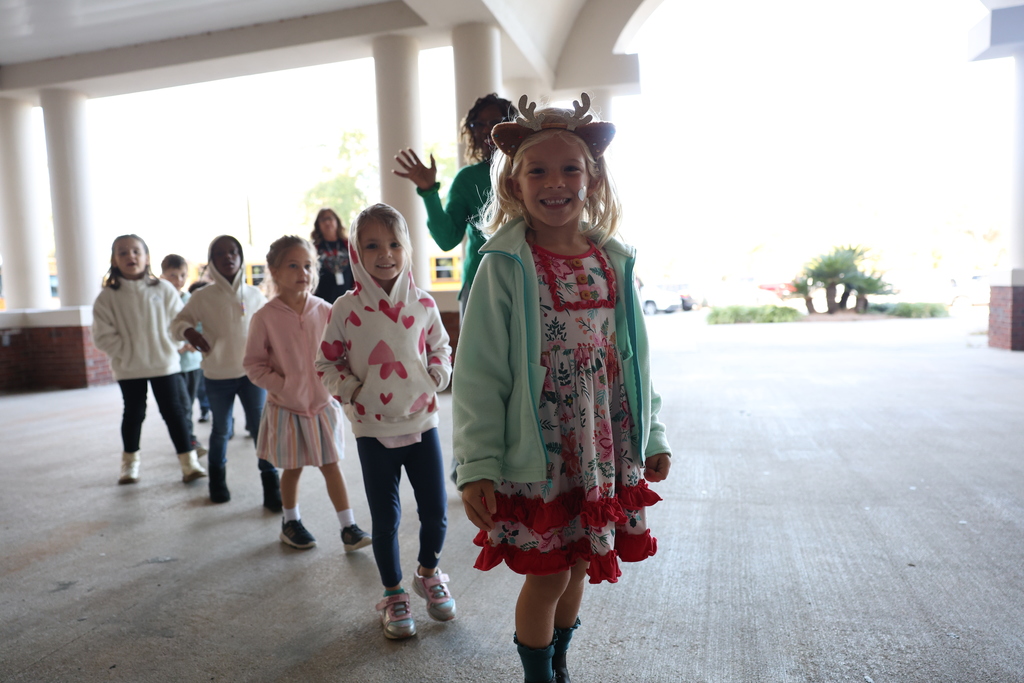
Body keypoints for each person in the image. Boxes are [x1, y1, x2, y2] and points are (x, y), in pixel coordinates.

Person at [452, 94, 672, 683]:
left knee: (578, 566)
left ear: (592, 179)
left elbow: (635, 360)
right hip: (541, 447)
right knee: (547, 574)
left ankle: (558, 662)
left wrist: (653, 433)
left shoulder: (612, 259)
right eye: (537, 171)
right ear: (514, 185)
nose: (555, 182)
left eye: (570, 168)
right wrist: (477, 462)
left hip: (598, 443)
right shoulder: (504, 264)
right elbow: (479, 374)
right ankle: (538, 677)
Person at [315, 203, 454, 640]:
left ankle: (428, 573)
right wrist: (352, 390)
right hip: (373, 429)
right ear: (356, 252)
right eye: (372, 245)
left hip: (422, 421)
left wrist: (439, 373)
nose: (385, 254)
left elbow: (441, 347)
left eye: (394, 244)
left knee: (436, 511)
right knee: (386, 518)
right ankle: (394, 593)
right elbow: (326, 362)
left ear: (407, 248)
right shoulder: (345, 308)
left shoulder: (424, 303)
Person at [243, 235, 371, 552]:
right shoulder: (264, 317)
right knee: (292, 469)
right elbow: (254, 365)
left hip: (322, 405)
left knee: (331, 466)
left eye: (308, 265)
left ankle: (348, 528)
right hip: (286, 408)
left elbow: (342, 354)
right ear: (274, 271)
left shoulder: (326, 311)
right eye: (293, 265)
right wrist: (284, 386)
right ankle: (290, 522)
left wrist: (340, 386)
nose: (303, 272)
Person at [171, 235, 281, 509]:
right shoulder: (202, 297)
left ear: (240, 257)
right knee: (221, 430)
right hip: (217, 376)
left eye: (233, 252)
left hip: (252, 376)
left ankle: (271, 486)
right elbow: (177, 323)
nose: (228, 257)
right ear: (211, 261)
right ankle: (217, 483)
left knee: (261, 430)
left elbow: (271, 330)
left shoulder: (254, 295)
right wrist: (189, 333)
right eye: (220, 253)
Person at [92, 235, 207, 486]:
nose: (130, 256)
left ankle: (189, 463)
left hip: (164, 364)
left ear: (146, 257)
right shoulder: (107, 297)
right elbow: (102, 336)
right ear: (114, 260)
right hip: (129, 368)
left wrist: (169, 345)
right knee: (134, 414)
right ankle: (129, 465)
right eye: (123, 252)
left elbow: (178, 322)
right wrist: (127, 351)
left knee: (175, 413)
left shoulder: (163, 289)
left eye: (136, 251)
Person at [392, 93, 518, 316]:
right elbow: (447, 239)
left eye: (494, 122)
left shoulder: (531, 171)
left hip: (527, 276)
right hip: (480, 283)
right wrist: (429, 192)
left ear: (511, 125)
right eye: (478, 124)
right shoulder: (467, 179)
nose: (485, 130)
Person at [160, 254, 206, 457]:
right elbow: (160, 329)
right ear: (162, 275)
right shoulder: (160, 300)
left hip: (192, 363)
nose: (178, 280)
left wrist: (190, 345)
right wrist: (175, 345)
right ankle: (189, 441)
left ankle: (188, 438)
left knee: (189, 402)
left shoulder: (190, 300)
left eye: (182, 275)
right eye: (172, 275)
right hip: (171, 364)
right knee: (182, 405)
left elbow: (200, 326)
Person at [310, 208, 353, 304]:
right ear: (318, 225)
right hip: (322, 298)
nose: (327, 222)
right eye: (323, 220)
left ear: (336, 221)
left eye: (330, 218)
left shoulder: (349, 244)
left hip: (348, 296)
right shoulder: (314, 248)